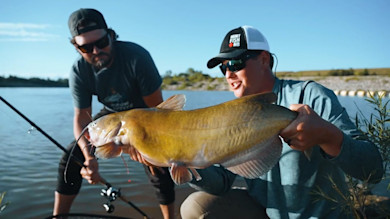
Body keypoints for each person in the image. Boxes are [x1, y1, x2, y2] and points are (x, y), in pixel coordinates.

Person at [180, 25, 384, 218]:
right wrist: (183, 159)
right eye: (223, 68)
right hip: (263, 210)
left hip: (319, 215)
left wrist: (327, 135)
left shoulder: (310, 95)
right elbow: (221, 182)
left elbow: (373, 169)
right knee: (194, 206)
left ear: (263, 59)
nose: (228, 74)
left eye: (235, 63)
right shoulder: (232, 114)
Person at [53, 8, 175, 219]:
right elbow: (82, 117)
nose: (95, 51)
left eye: (100, 43)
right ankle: (58, 216)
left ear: (110, 35)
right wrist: (88, 156)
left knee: (158, 165)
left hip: (145, 113)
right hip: (112, 113)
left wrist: (142, 144)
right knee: (72, 156)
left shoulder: (137, 57)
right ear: (76, 47)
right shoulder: (79, 70)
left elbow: (159, 113)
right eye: (86, 47)